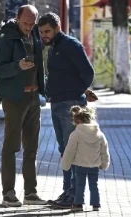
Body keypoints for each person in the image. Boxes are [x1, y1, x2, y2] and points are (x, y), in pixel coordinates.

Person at [35, 12, 95, 206]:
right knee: (65, 151)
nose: (44, 35)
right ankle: (67, 193)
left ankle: (75, 196)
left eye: (47, 31)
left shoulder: (70, 45)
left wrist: (77, 94)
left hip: (71, 105)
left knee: (73, 150)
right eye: (41, 31)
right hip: (57, 104)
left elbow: (88, 72)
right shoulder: (54, 47)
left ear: (57, 28)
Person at [0, 5, 47, 207]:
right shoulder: (6, 38)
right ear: (17, 18)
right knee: (11, 146)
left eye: (32, 23)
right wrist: (18, 66)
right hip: (15, 99)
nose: (29, 27)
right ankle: (8, 192)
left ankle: (30, 193)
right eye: (25, 23)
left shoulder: (35, 35)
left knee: (31, 147)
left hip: (34, 98)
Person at [54, 106, 110, 212]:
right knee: (94, 185)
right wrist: (104, 164)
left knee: (80, 185)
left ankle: (78, 203)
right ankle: (96, 204)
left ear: (78, 120)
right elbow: (104, 151)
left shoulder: (75, 134)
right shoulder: (99, 134)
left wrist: (65, 164)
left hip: (80, 165)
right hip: (94, 165)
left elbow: (70, 151)